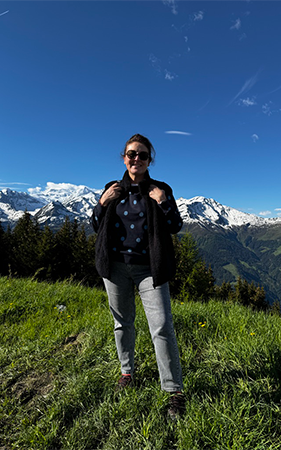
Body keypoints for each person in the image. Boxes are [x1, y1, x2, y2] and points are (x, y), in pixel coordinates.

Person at [91, 133, 185, 419]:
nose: (136, 159)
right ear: (124, 157)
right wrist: (102, 202)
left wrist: (163, 202)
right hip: (115, 267)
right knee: (122, 323)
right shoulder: (112, 188)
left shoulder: (160, 189)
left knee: (162, 327)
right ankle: (127, 373)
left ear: (149, 160)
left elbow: (174, 226)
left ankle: (174, 392)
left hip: (149, 269)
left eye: (142, 155)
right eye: (132, 154)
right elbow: (96, 226)